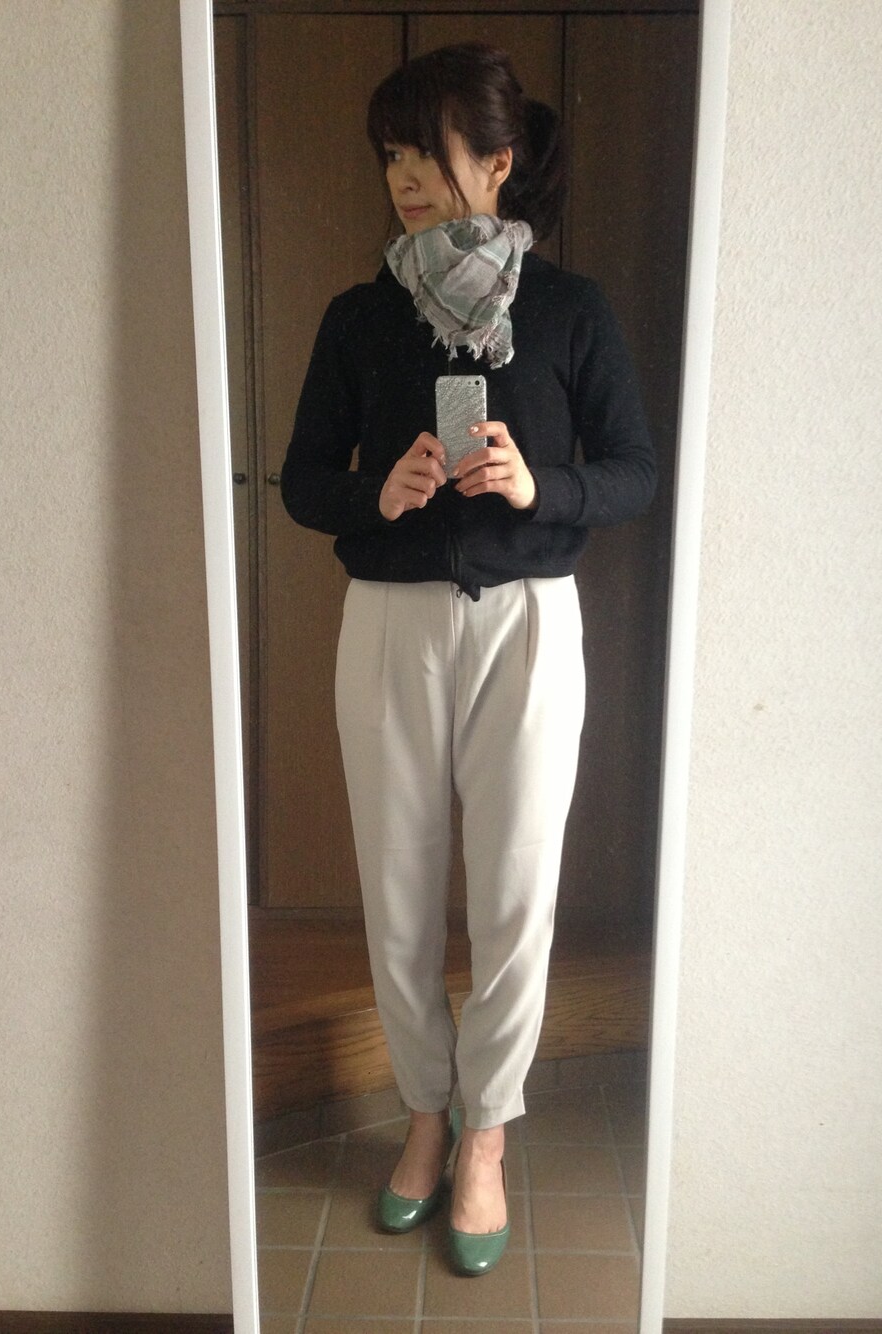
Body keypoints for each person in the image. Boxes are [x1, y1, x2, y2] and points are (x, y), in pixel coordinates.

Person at [281, 41, 655, 1275]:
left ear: (497, 161)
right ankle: (425, 1116)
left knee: (514, 889)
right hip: (390, 623)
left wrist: (545, 485)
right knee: (397, 890)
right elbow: (302, 480)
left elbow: (634, 471)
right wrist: (372, 494)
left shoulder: (570, 310)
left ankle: (487, 1129)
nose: (402, 176)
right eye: (390, 152)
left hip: (529, 620)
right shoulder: (358, 317)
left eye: (426, 151)